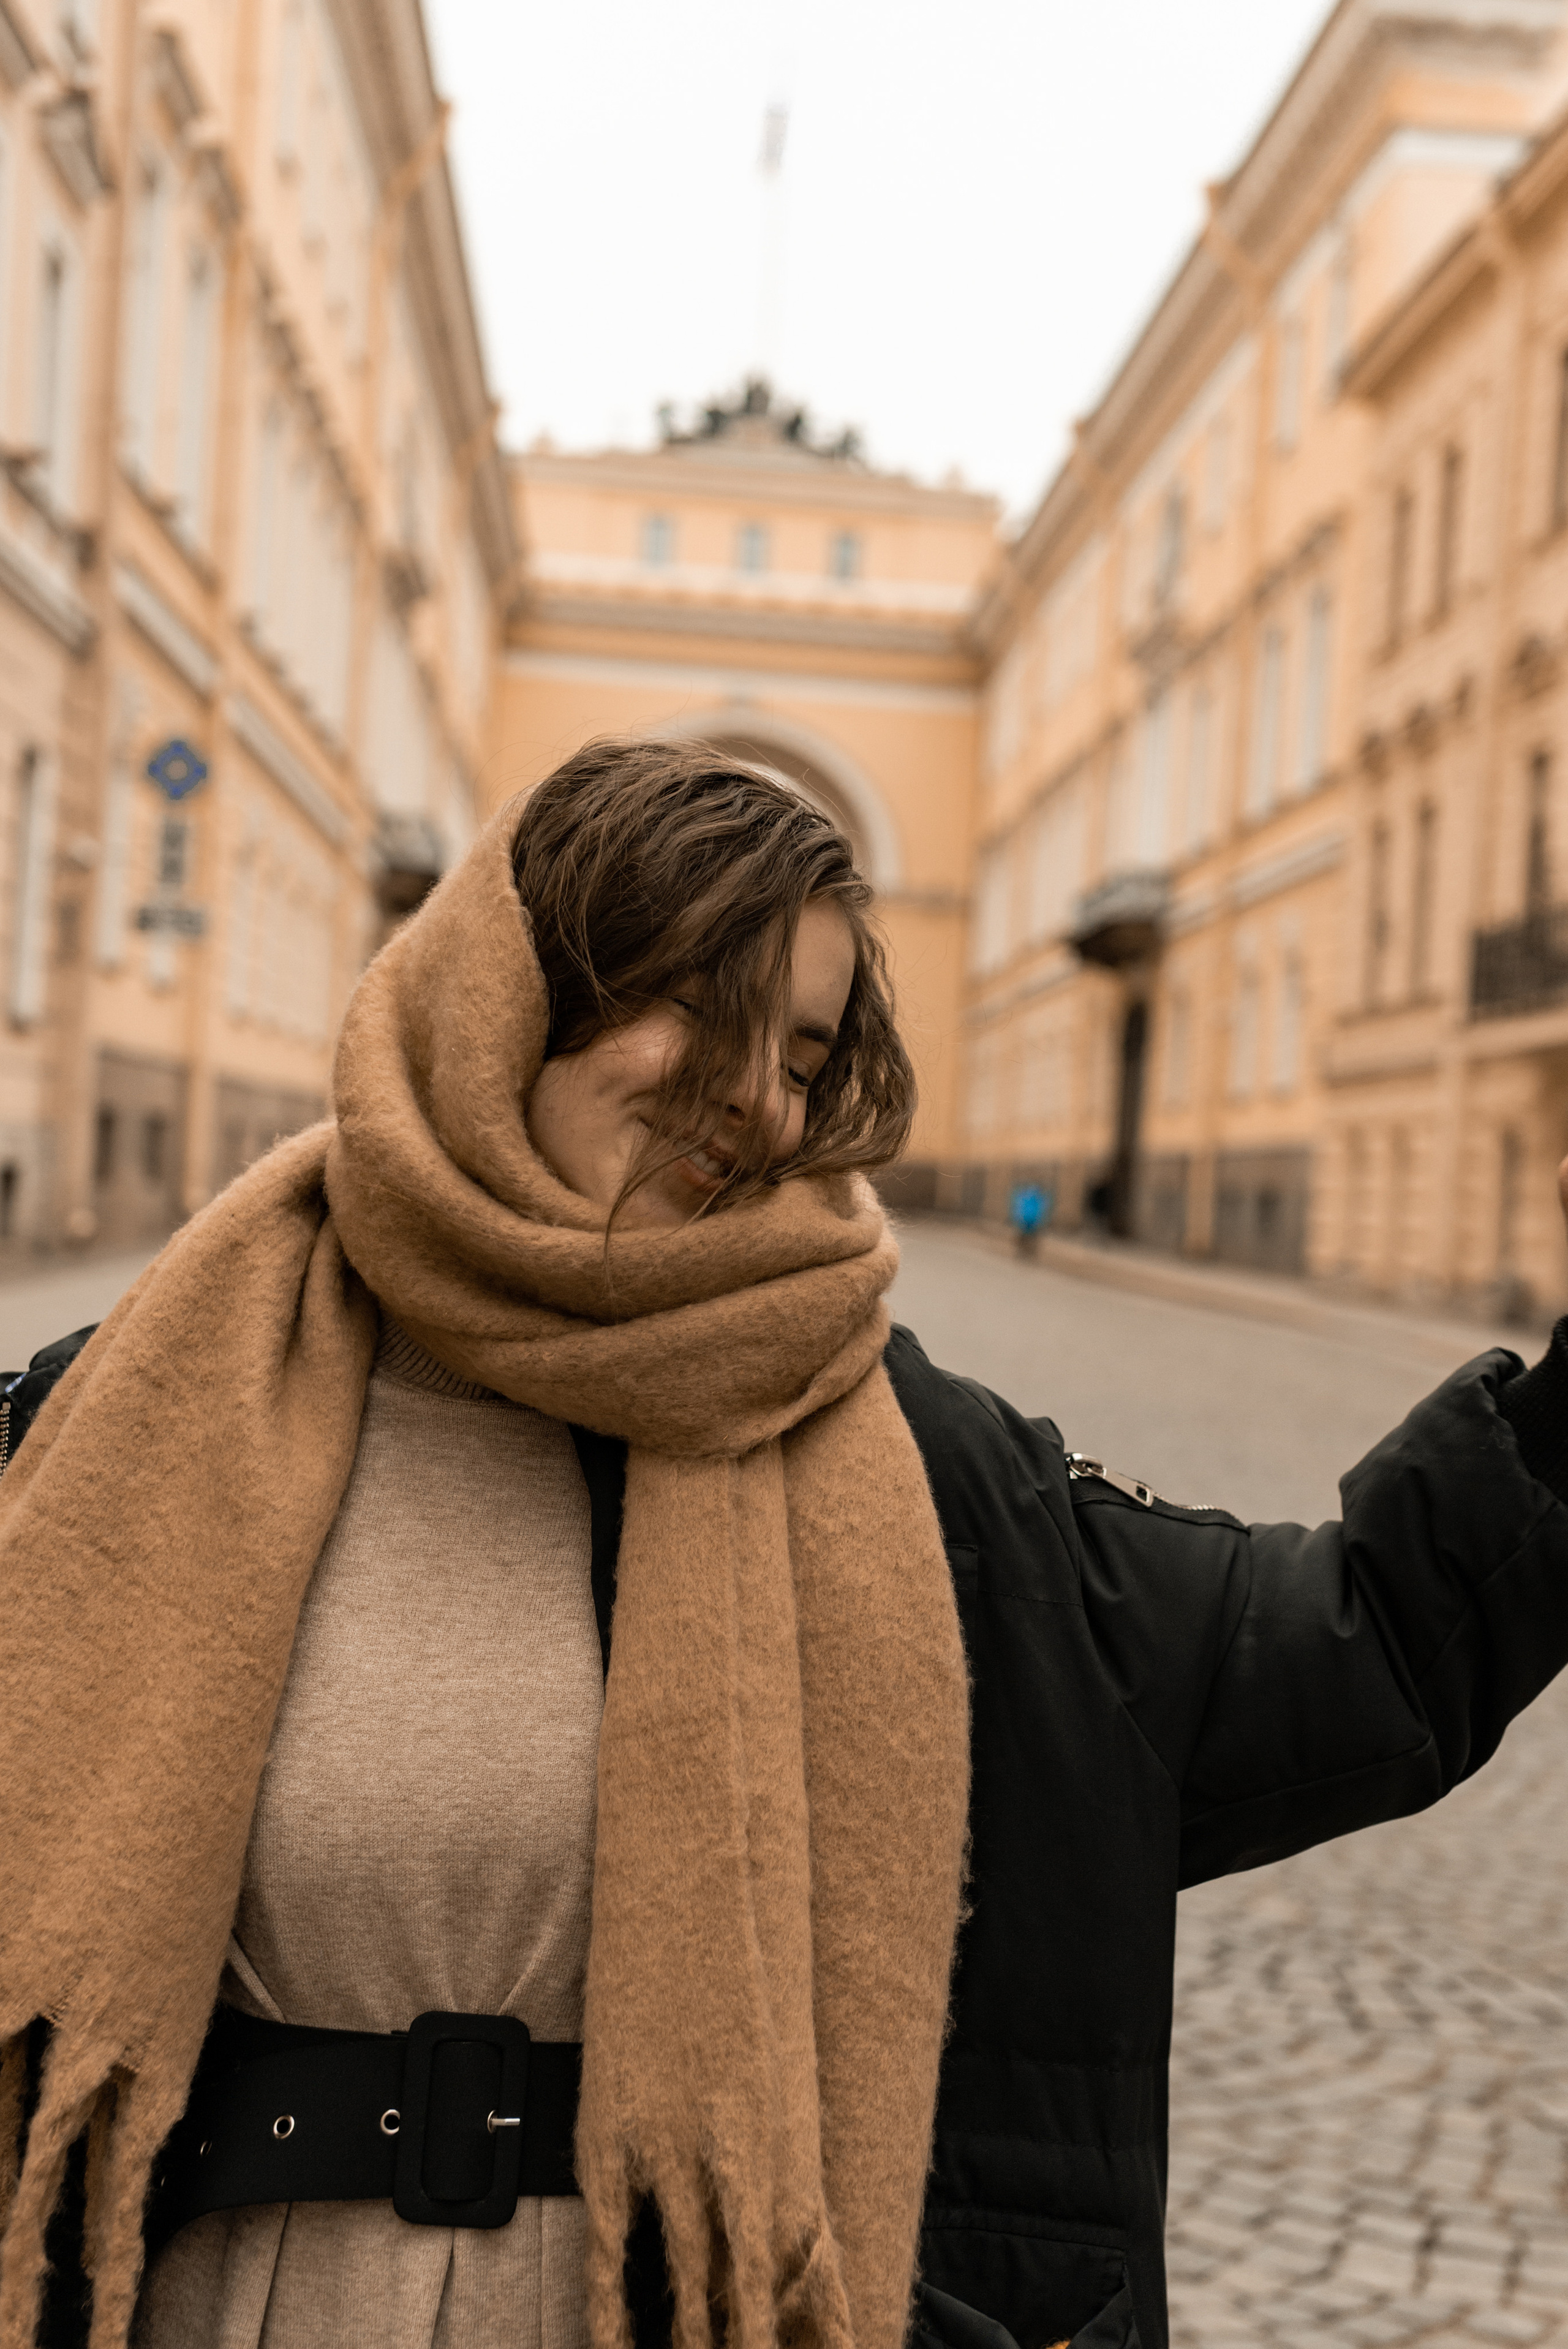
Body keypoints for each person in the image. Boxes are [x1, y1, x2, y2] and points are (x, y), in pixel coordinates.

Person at [2, 738, 1568, 2349]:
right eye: (703, 1007)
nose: (755, 1098)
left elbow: (1349, 1646)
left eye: (806, 1052)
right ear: (516, 994)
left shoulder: (894, 1449)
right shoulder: (155, 1404)